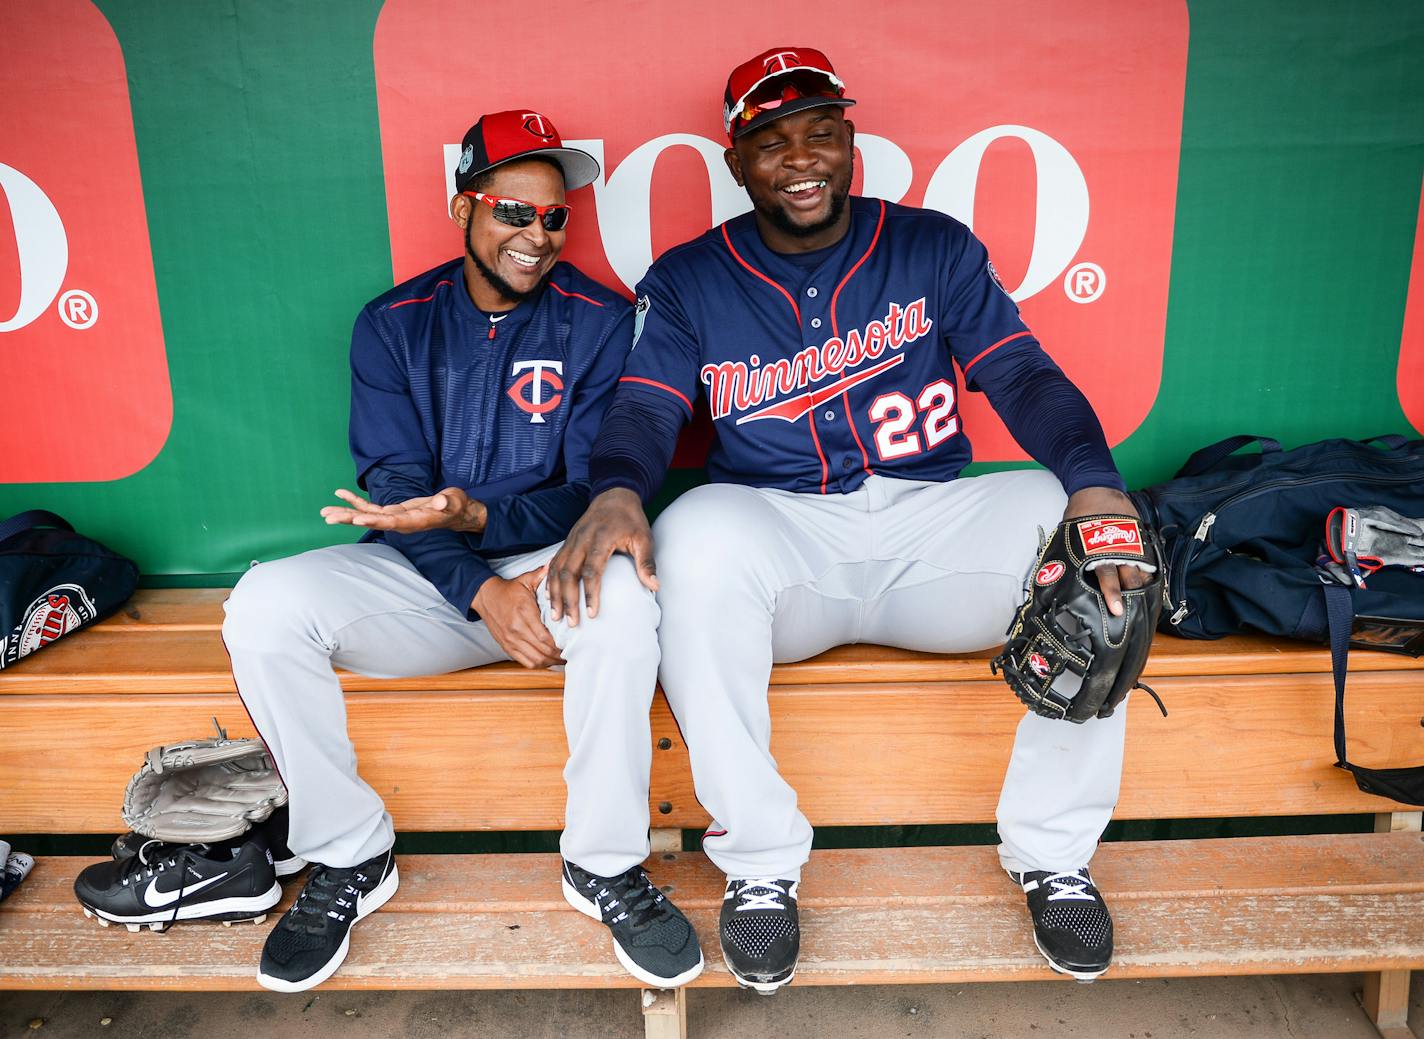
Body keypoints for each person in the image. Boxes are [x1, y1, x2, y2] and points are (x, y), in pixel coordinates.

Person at [545, 47, 1151, 992]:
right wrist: (619, 485)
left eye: (821, 132)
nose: (803, 158)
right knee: (696, 528)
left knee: (1071, 529)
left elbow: (1022, 375)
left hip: (932, 533)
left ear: (851, 141)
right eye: (773, 141)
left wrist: (1093, 480)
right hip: (790, 546)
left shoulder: (931, 246)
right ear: (737, 162)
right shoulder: (692, 277)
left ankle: (1053, 853)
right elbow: (645, 407)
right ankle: (758, 868)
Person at [222, 110, 703, 993]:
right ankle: (349, 854)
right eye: (513, 212)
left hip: (552, 563)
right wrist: (480, 587)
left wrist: (481, 521)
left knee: (628, 601)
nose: (537, 235)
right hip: (427, 584)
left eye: (555, 217)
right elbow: (399, 498)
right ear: (462, 208)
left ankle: (602, 862)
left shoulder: (599, 320)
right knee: (261, 606)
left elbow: (592, 487)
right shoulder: (393, 323)